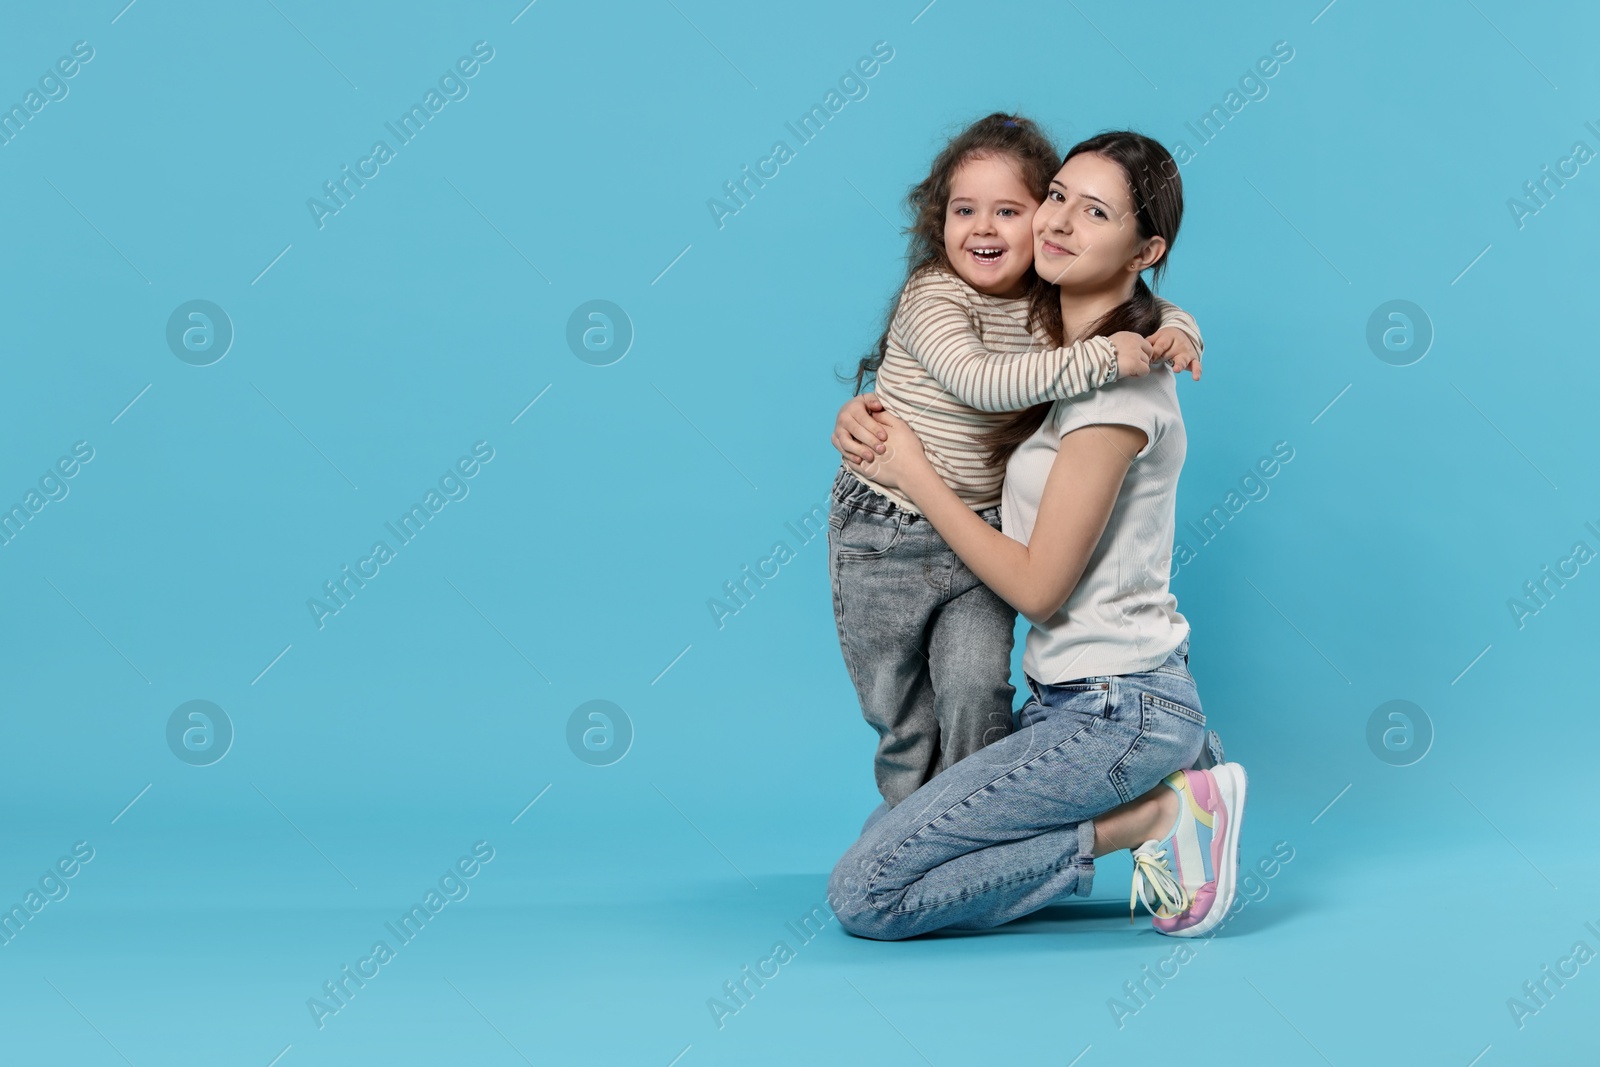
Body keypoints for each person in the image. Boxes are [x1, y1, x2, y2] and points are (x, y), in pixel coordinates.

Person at [826, 131, 1245, 940]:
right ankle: (1169, 782)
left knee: (868, 893)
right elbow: (975, 374)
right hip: (1074, 698)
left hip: (1116, 705)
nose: (1056, 222)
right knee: (898, 837)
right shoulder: (1054, 335)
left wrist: (913, 470)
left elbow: (1037, 590)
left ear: (1144, 248)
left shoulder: (1107, 396)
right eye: (1056, 196)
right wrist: (866, 416)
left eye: (1094, 212)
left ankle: (1159, 816)